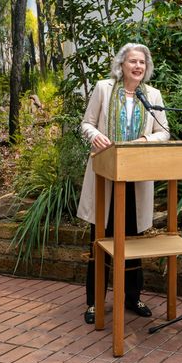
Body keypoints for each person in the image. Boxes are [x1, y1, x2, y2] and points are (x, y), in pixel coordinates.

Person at [76, 43, 170, 324]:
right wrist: (94, 136)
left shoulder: (152, 95)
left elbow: (164, 132)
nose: (138, 66)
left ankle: (133, 296)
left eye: (142, 62)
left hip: (136, 179)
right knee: (101, 238)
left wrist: (145, 140)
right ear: (122, 64)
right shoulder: (104, 88)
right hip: (105, 177)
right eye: (133, 61)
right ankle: (94, 302)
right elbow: (86, 123)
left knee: (133, 239)